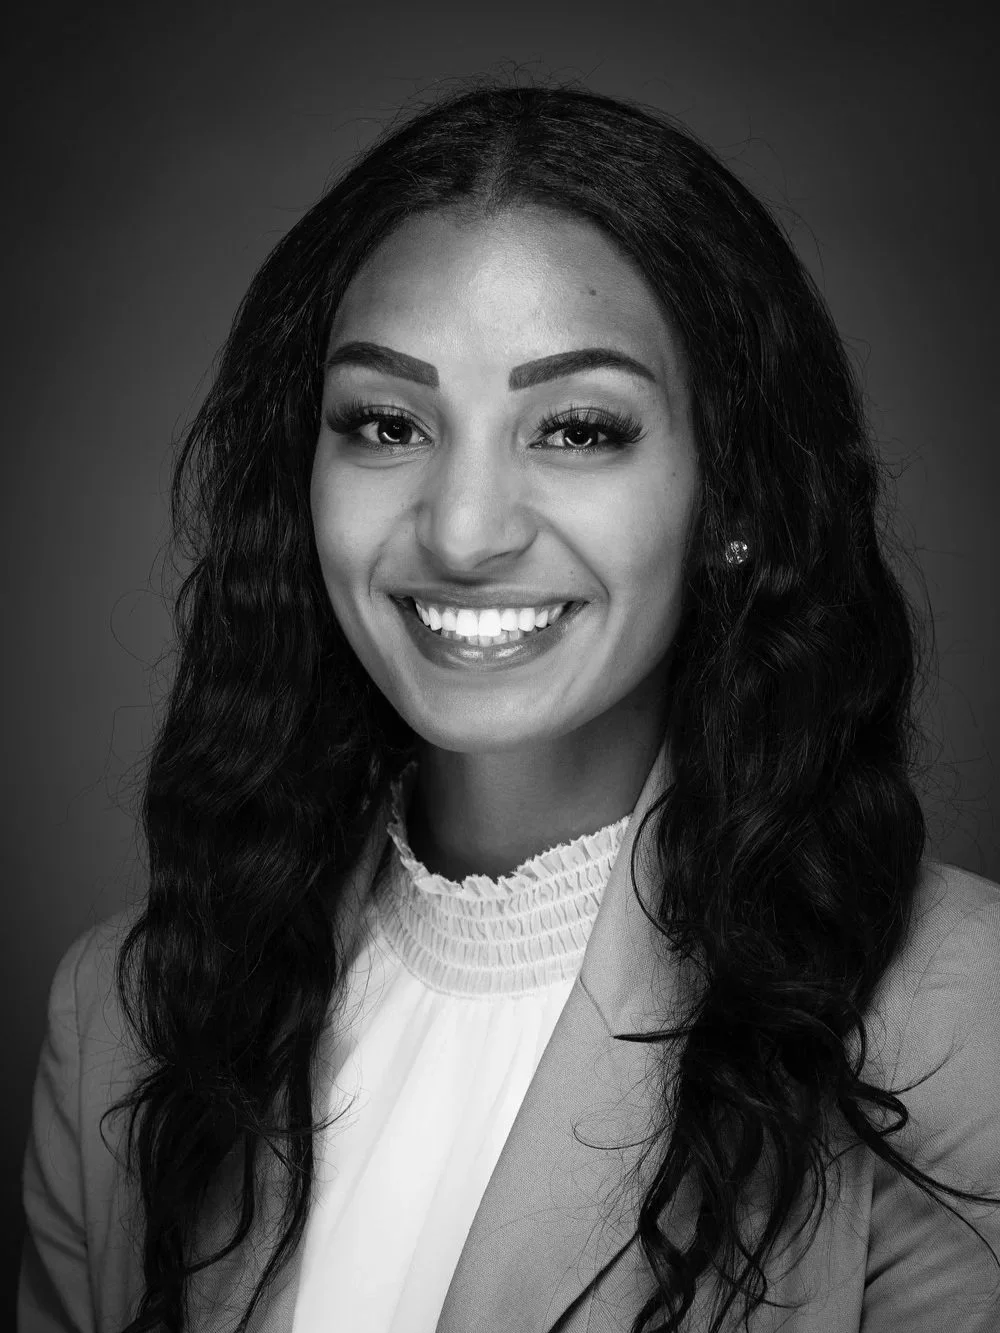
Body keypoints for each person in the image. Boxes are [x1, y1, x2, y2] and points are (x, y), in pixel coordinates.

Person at [18, 77, 1000, 1333]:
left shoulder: (955, 1015)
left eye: (577, 430)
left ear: (736, 501)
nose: (463, 530)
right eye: (386, 424)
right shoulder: (124, 1016)